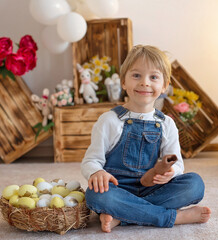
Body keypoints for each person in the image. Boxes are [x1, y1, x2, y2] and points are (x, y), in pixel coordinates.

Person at [81, 45, 211, 233]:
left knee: (195, 185)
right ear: (123, 82)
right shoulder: (110, 120)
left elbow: (178, 165)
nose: (145, 83)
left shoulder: (166, 124)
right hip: (118, 189)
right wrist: (96, 173)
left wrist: (170, 173)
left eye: (154, 77)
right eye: (136, 76)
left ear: (164, 85)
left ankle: (123, 215)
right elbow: (91, 160)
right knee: (95, 195)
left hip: (154, 189)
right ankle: (172, 217)